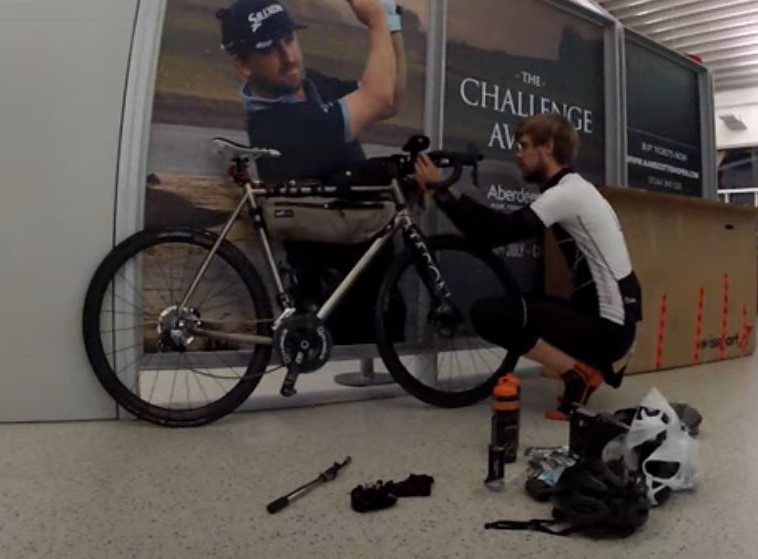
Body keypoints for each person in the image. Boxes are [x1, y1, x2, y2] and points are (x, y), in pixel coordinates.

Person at [415, 113, 642, 421]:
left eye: (523, 146)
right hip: (613, 320)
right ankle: (585, 372)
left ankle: (579, 375)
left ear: (547, 146)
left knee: (489, 315)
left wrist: (442, 191)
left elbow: (494, 233)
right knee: (525, 303)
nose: (517, 155)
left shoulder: (566, 194)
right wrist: (444, 194)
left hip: (609, 329)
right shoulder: (576, 189)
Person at [218, 0, 406, 344]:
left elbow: (390, 99)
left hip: (369, 271)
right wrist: (377, 21)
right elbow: (377, 98)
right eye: (270, 48)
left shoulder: (309, 84)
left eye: (289, 39)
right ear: (243, 64)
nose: (288, 55)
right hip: (336, 292)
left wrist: (392, 24)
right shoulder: (275, 126)